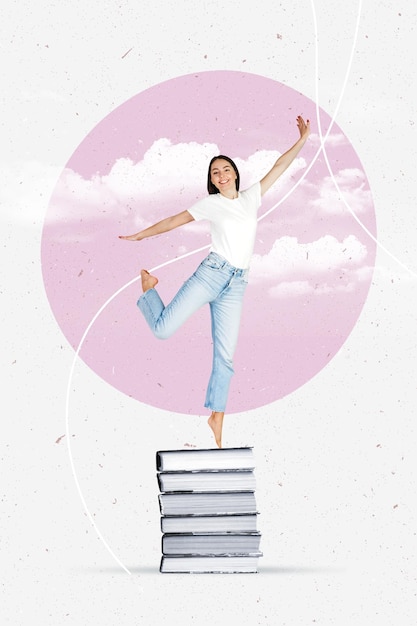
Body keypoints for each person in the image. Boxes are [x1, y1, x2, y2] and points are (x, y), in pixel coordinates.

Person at [119, 115, 310, 447]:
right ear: (212, 181)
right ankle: (150, 289)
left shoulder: (252, 197)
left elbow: (279, 166)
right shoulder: (211, 204)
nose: (220, 175)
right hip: (212, 274)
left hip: (236, 285)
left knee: (226, 356)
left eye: (224, 169)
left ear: (235, 173)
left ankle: (216, 416)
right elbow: (173, 221)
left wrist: (303, 140)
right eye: (214, 173)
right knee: (163, 329)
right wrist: (140, 236)